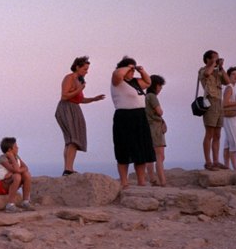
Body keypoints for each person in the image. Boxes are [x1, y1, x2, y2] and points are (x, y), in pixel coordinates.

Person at [55, 56, 105, 175]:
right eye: (84, 69)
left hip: (75, 108)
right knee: (73, 139)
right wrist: (80, 89)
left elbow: (79, 99)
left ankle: (69, 168)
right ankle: (68, 169)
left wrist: (93, 99)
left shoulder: (79, 80)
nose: (86, 72)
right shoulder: (69, 78)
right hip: (66, 108)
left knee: (72, 139)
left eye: (87, 70)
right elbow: (65, 96)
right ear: (77, 67)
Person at [110, 56, 155, 188]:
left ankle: (141, 181)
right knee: (123, 149)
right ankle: (124, 182)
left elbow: (148, 82)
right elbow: (117, 74)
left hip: (139, 116)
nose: (132, 72)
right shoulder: (117, 81)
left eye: (133, 69)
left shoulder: (135, 82)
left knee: (140, 150)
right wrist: (128, 67)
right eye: (130, 69)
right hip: (124, 116)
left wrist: (141, 70)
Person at [199, 50, 230, 170]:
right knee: (209, 133)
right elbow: (207, 74)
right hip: (210, 102)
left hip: (219, 103)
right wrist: (213, 64)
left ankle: (216, 161)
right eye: (214, 58)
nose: (217, 60)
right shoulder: (202, 70)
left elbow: (227, 82)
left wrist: (221, 67)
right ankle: (208, 162)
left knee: (217, 134)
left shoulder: (218, 71)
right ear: (207, 59)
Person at [0, 137, 34, 213]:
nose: (18, 148)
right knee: (17, 176)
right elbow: (17, 170)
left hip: (8, 181)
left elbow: (26, 167)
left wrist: (13, 172)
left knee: (26, 174)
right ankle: (10, 205)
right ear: (10, 150)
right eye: (15, 147)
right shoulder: (2, 159)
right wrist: (12, 160)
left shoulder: (17, 157)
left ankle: (25, 202)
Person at [145, 75, 167, 186]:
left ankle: (152, 179)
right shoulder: (152, 97)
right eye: (160, 86)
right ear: (155, 85)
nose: (160, 88)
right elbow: (159, 112)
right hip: (156, 128)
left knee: (151, 155)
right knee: (160, 155)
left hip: (148, 127)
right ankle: (162, 181)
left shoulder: (145, 96)